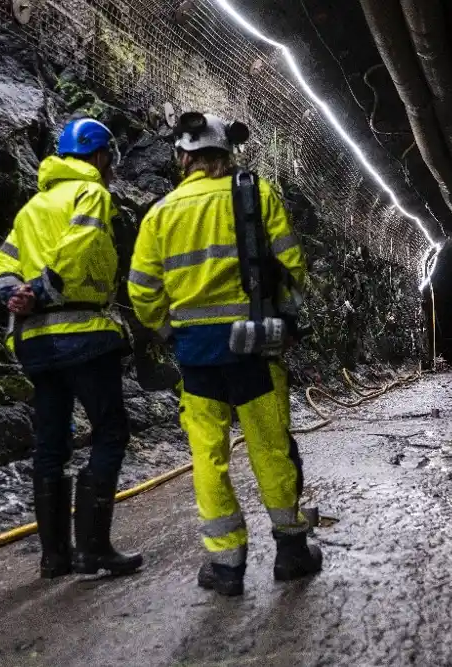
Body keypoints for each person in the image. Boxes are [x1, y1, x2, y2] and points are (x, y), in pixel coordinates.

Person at [127, 112, 321, 596]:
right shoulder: (256, 195)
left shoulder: (160, 213)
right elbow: (291, 264)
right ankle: (291, 553)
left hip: (196, 358)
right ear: (225, 154)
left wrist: (170, 332)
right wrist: (288, 322)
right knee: (271, 449)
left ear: (182, 157)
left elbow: (142, 291)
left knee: (208, 457)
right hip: (255, 350)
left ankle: (227, 565)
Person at [0, 118, 142, 579]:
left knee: (50, 444)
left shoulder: (32, 207)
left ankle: (55, 558)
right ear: (98, 156)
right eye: (109, 159)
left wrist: (14, 292)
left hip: (35, 342)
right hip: (84, 335)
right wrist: (42, 288)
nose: (110, 169)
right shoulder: (91, 193)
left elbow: (1, 265)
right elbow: (82, 243)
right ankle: (94, 550)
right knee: (110, 433)